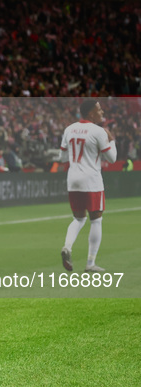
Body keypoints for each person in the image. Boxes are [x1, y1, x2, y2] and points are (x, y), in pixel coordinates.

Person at [60, 100, 117, 272]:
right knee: (96, 220)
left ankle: (67, 247)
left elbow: (62, 158)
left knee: (78, 219)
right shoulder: (99, 131)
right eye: (99, 109)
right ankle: (90, 263)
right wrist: (111, 140)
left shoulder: (69, 129)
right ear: (91, 113)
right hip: (92, 180)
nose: (101, 112)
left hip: (73, 179)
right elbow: (112, 159)